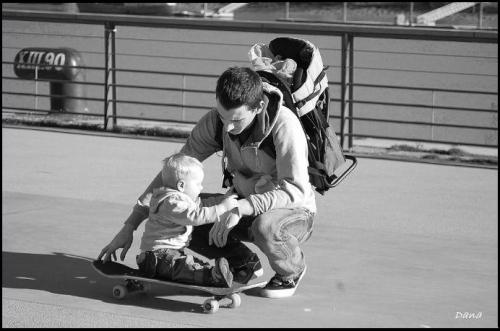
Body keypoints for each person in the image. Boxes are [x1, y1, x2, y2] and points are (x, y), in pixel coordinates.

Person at [98, 66, 315, 298]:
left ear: (259, 107)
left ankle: (291, 271)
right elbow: (173, 175)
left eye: (236, 119)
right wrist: (131, 224)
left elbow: (295, 191)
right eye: (223, 117)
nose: (228, 127)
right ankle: (243, 264)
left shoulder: (285, 125)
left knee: (265, 227)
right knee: (179, 206)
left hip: (292, 213)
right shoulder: (215, 122)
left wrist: (240, 207)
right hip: (241, 203)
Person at [134, 153, 240, 287]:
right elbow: (195, 216)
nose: (201, 188)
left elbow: (202, 205)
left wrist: (223, 201)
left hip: (167, 253)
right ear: (181, 185)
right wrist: (222, 208)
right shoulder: (171, 202)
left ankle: (212, 273)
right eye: (198, 184)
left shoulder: (179, 199)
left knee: (188, 263)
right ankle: (213, 277)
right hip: (158, 255)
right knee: (184, 266)